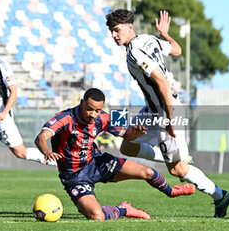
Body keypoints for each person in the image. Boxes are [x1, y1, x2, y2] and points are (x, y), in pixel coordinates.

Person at [106, 9, 229, 217]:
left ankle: (220, 195)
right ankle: (179, 155)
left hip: (166, 110)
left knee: (177, 171)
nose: (114, 35)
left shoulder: (136, 52)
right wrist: (165, 33)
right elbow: (176, 49)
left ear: (130, 27)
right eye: (111, 31)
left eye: (117, 30)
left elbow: (162, 83)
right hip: (152, 111)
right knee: (127, 145)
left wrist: (171, 118)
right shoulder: (148, 39)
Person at [34, 88, 195, 220]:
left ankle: (171, 191)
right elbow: (41, 137)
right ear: (82, 103)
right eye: (89, 109)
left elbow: (127, 135)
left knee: (148, 172)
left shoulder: (103, 117)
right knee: (97, 216)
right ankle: (123, 209)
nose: (93, 114)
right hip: (74, 176)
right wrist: (47, 151)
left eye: (97, 110)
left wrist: (136, 134)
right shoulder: (66, 117)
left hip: (97, 163)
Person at [0, 33, 55, 200]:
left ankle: (57, 161)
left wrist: (4, 112)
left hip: (2, 119)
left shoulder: (2, 65)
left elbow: (13, 92)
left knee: (20, 152)